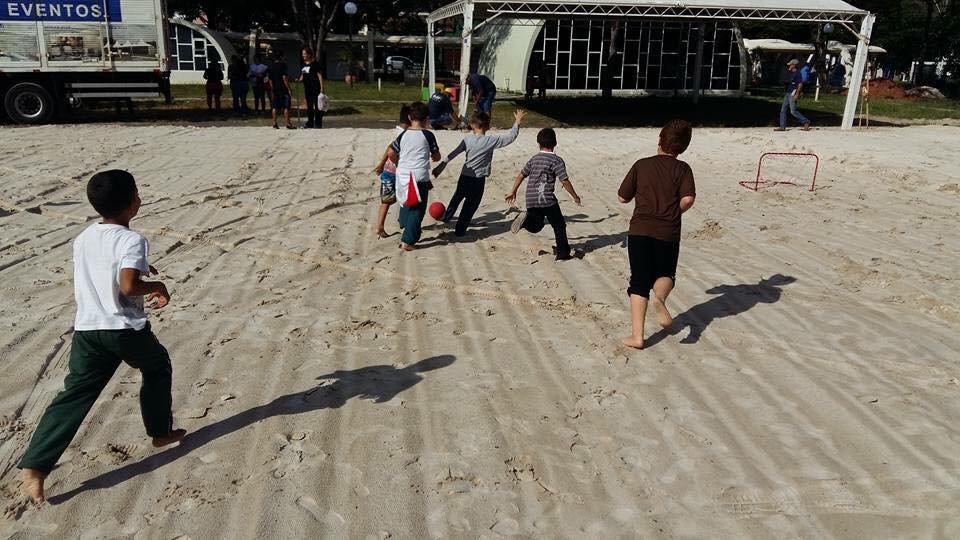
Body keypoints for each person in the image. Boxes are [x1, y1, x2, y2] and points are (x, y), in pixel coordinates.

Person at [17, 170, 186, 503]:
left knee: (75, 394)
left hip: (87, 330)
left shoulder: (83, 237)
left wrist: (141, 267)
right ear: (132, 202)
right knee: (157, 366)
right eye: (137, 193)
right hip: (124, 330)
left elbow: (102, 266)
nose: (139, 197)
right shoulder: (132, 240)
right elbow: (128, 286)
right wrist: (157, 286)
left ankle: (35, 468)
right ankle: (160, 432)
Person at [616, 120, 696, 349]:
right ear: (683, 147)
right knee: (666, 273)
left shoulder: (642, 165)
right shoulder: (683, 169)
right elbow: (688, 199)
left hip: (640, 230)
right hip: (668, 231)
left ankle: (637, 336)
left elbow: (622, 197)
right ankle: (659, 299)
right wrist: (674, 211)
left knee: (639, 280)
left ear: (660, 140)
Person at [435, 109, 525, 237]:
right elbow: (510, 137)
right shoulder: (491, 140)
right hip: (478, 179)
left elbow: (454, 153)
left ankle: (446, 217)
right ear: (487, 126)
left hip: (465, 176)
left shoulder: (467, 139)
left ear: (472, 125)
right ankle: (460, 231)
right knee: (470, 205)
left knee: (457, 197)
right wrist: (517, 122)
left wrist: (442, 164)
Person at [505, 128, 581, 261]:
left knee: (536, 226)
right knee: (558, 225)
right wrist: (575, 196)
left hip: (531, 198)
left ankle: (525, 222)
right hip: (547, 199)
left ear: (538, 144)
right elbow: (564, 180)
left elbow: (521, 175)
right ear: (555, 143)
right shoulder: (556, 160)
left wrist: (513, 191)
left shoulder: (534, 159)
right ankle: (563, 253)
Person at [386, 102, 441, 251]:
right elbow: (437, 155)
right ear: (426, 119)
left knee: (406, 201)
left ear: (410, 117)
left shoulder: (403, 134)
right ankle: (408, 241)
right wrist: (435, 157)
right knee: (417, 209)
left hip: (403, 174)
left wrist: (398, 163)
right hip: (419, 176)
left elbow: (391, 152)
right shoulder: (428, 135)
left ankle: (404, 222)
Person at [373, 105, 412, 238]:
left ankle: (380, 226)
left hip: (387, 171)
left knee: (387, 200)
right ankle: (402, 221)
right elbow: (390, 150)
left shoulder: (396, 131)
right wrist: (382, 164)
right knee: (404, 196)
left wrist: (382, 165)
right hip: (396, 172)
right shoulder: (403, 134)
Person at [776, 59, 811, 131]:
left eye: (791, 65)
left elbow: (800, 84)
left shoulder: (798, 73)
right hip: (787, 92)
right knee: (783, 110)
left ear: (794, 65)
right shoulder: (790, 72)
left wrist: (797, 94)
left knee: (793, 111)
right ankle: (782, 126)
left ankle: (805, 121)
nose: (789, 66)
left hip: (793, 93)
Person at [298, 48, 325, 129]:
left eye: (304, 54)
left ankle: (318, 123)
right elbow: (303, 75)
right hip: (307, 88)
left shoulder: (315, 64)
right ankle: (310, 122)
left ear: (309, 54)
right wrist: (299, 80)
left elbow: (320, 76)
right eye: (302, 54)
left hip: (315, 88)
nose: (303, 55)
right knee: (309, 106)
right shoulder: (303, 64)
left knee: (317, 106)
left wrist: (322, 88)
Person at [268, 50, 294, 130]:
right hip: (283, 88)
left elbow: (270, 80)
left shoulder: (271, 66)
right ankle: (288, 124)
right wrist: (289, 89)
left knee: (274, 106)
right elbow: (284, 78)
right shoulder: (283, 65)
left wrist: (272, 89)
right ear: (281, 57)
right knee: (286, 106)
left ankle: (274, 123)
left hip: (275, 88)